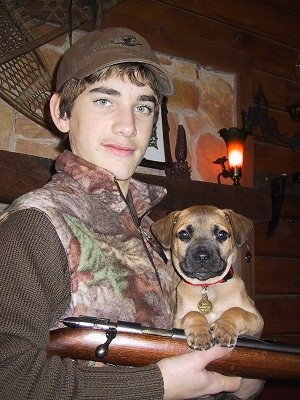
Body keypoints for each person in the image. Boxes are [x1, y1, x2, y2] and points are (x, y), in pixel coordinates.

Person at [0, 26, 258, 399]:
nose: (128, 125)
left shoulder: (158, 233)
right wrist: (158, 385)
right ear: (61, 112)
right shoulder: (37, 225)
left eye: (143, 106)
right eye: (105, 100)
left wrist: (243, 380)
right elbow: (8, 378)